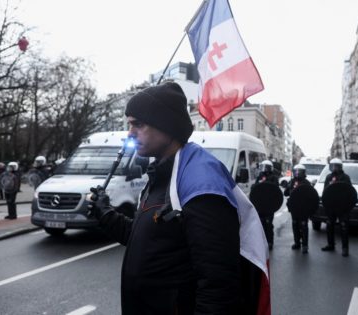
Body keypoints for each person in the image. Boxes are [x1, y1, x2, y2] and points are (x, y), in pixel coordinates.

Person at [88, 82, 270, 315]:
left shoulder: (201, 182)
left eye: (138, 124)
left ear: (166, 125)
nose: (130, 133)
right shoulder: (163, 174)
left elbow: (217, 282)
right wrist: (106, 214)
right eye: (129, 124)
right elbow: (154, 243)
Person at [321, 158, 352, 257]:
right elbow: (325, 191)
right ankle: (330, 245)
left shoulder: (345, 177)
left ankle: (345, 248)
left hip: (342, 206)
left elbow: (349, 191)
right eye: (332, 166)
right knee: (330, 225)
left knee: (343, 227)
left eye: (336, 166)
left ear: (340, 167)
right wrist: (325, 203)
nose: (334, 168)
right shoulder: (328, 177)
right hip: (331, 206)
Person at [253, 159, 280, 250]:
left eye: (266, 167)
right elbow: (255, 187)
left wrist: (265, 183)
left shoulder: (274, 178)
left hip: (269, 206)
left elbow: (275, 189)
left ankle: (269, 242)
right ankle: (261, 242)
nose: (264, 169)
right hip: (260, 205)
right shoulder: (260, 176)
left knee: (268, 224)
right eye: (263, 167)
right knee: (260, 224)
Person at [284, 164, 311, 254]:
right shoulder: (292, 182)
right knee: (295, 224)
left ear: (303, 173)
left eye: (300, 172)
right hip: (294, 207)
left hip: (303, 208)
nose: (298, 173)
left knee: (303, 225)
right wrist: (287, 188)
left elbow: (311, 195)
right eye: (296, 171)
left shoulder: (306, 182)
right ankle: (297, 243)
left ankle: (305, 245)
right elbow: (286, 193)